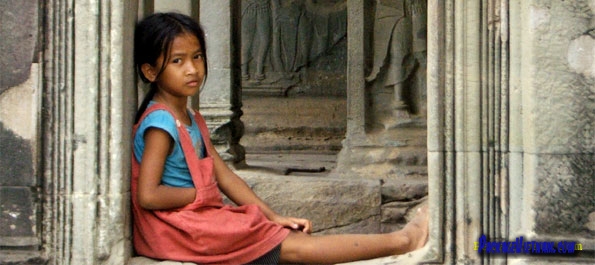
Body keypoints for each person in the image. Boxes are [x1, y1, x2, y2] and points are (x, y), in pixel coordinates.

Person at [132, 12, 428, 264]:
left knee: (287, 239)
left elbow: (226, 177)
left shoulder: (190, 117)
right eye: (177, 61)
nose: (192, 68)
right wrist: (200, 194)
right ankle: (404, 241)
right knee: (299, 249)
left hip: (195, 220)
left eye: (197, 57)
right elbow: (149, 195)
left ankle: (399, 241)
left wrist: (271, 215)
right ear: (149, 71)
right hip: (179, 229)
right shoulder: (161, 123)